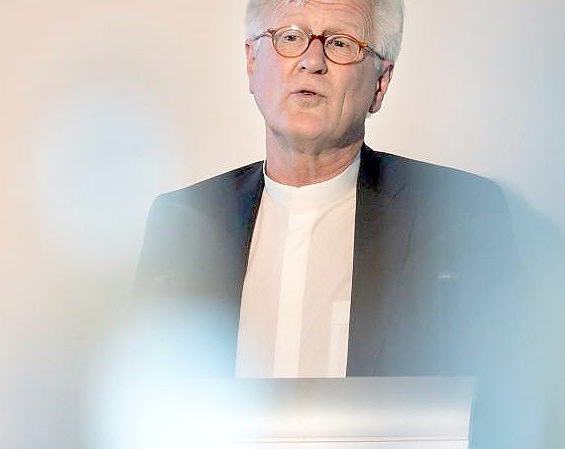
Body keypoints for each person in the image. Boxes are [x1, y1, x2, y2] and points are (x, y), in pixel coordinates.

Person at [134, 0, 521, 380]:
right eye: (289, 37)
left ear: (380, 83)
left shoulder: (457, 216)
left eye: (339, 43)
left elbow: (498, 403)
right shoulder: (184, 220)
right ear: (252, 63)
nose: (312, 61)